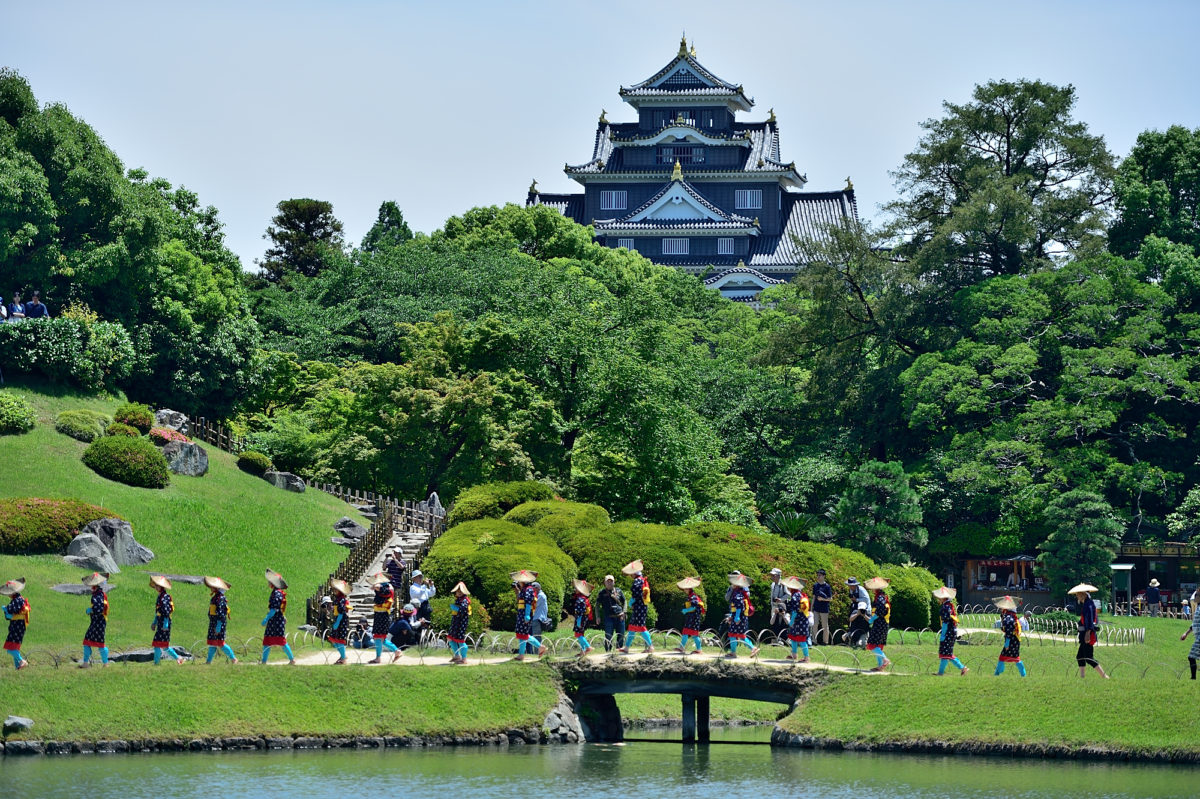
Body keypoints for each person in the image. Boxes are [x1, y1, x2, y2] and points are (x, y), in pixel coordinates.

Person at [1071, 582, 1109, 679]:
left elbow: (1090, 620)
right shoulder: (1087, 604)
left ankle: (1104, 676)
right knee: (1080, 656)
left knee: (1088, 657)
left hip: (1088, 634)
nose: (1077, 596)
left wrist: (1088, 633)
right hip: (1084, 633)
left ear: (1082, 594)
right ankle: (1082, 677)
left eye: (1078, 594)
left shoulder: (1089, 605)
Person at [260, 569, 296, 665]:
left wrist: (266, 619)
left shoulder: (277, 593)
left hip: (276, 621)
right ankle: (264, 661)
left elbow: (274, 609)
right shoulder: (277, 592)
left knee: (281, 641)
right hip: (275, 620)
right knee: (267, 641)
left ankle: (292, 659)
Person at [619, 560, 654, 654]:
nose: (630, 576)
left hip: (639, 607)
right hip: (641, 607)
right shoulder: (642, 580)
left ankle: (651, 646)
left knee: (641, 627)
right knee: (632, 627)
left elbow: (637, 595)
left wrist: (632, 601)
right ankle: (626, 648)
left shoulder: (637, 581)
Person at [512, 570, 546, 660]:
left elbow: (528, 603)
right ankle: (522, 654)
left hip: (525, 615)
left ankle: (538, 647)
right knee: (521, 634)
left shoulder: (528, 589)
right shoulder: (524, 589)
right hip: (521, 614)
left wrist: (527, 615)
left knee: (523, 634)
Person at [933, 586, 967, 676]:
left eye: (939, 597)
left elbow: (946, 621)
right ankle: (961, 668)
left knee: (946, 653)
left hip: (948, 632)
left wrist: (943, 634)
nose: (938, 599)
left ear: (943, 598)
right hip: (951, 631)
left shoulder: (945, 607)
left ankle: (961, 668)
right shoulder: (949, 605)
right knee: (947, 654)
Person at [150, 575, 183, 665]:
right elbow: (158, 612)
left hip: (164, 624)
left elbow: (166, 612)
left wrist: (165, 624)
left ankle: (156, 663)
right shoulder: (160, 596)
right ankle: (178, 658)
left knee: (157, 644)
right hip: (161, 623)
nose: (156, 587)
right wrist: (154, 623)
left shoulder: (165, 597)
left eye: (158, 585)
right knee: (164, 645)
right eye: (156, 585)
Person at [204, 576, 237, 664]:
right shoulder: (215, 598)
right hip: (213, 623)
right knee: (213, 643)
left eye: (212, 586)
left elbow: (221, 613)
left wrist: (218, 626)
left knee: (220, 643)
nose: (211, 588)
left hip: (218, 623)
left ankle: (233, 658)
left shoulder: (220, 598)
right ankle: (208, 661)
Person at [368, 573, 400, 664]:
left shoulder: (388, 588)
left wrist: (375, 585)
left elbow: (381, 589)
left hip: (383, 615)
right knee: (380, 638)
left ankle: (380, 657)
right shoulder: (383, 586)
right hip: (379, 615)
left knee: (379, 637)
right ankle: (395, 651)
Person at [725, 573, 758, 658]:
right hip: (739, 617)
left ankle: (735, 652)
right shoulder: (740, 592)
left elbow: (739, 607)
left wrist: (736, 617)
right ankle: (750, 648)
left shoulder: (737, 594)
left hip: (739, 618)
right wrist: (732, 616)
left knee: (733, 634)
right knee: (740, 635)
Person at [81, 572, 109, 667]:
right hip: (98, 622)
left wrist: (90, 610)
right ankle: (103, 663)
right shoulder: (101, 594)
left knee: (92, 642)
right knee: (91, 641)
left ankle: (103, 663)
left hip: (98, 623)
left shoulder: (97, 595)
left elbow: (99, 608)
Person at [993, 595, 1026, 677]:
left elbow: (1009, 631)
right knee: (1015, 658)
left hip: (1011, 641)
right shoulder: (1012, 616)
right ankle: (1023, 674)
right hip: (1015, 640)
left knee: (1003, 657)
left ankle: (997, 673)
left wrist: (1007, 643)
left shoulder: (1008, 617)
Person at [2, 577, 29, 670]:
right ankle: (17, 666)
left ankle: (22, 661)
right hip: (17, 626)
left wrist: (6, 609)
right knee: (14, 647)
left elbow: (12, 610)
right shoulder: (17, 600)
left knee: (10, 649)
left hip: (18, 627)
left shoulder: (18, 600)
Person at [865, 577, 892, 671]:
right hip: (883, 624)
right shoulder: (882, 596)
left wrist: (872, 619)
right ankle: (880, 666)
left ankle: (885, 660)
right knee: (878, 645)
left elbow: (881, 610)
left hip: (880, 623)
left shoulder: (880, 598)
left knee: (871, 644)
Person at [782, 576, 810, 662]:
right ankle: (794, 655)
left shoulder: (794, 597)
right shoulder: (800, 594)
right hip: (802, 620)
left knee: (801, 639)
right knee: (793, 637)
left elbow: (794, 612)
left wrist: (791, 622)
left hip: (799, 621)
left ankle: (806, 657)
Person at [675, 577, 706, 655]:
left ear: (689, 589)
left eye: (685, 589)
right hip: (690, 617)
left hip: (694, 618)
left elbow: (694, 606)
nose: (684, 590)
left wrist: (686, 610)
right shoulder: (690, 596)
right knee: (686, 632)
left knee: (694, 634)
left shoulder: (693, 597)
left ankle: (699, 649)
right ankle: (681, 647)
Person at [596, 575, 626, 652]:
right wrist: (597, 616)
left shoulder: (619, 591)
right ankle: (608, 653)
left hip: (620, 617)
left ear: (614, 582)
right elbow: (597, 605)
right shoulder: (602, 593)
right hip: (608, 617)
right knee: (608, 636)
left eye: (611, 581)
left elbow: (625, 601)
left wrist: (624, 612)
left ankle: (619, 652)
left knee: (621, 636)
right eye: (607, 581)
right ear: (604, 583)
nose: (609, 583)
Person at [326, 579, 351, 665]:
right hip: (338, 620)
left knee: (339, 640)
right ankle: (342, 655)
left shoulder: (342, 600)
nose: (335, 591)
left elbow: (341, 612)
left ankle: (343, 658)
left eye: (336, 590)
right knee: (334, 640)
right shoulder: (338, 599)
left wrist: (337, 623)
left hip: (341, 621)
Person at [448, 582, 472, 664]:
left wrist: (455, 608)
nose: (459, 592)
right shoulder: (458, 599)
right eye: (458, 591)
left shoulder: (465, 600)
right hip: (455, 622)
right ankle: (457, 656)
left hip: (461, 623)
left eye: (460, 591)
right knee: (451, 638)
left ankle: (464, 658)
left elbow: (463, 610)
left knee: (460, 640)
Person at [570, 579, 593, 658]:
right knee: (581, 634)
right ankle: (582, 651)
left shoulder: (580, 599)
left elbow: (580, 612)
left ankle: (588, 647)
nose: (575, 589)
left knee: (578, 634)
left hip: (581, 619)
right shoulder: (583, 598)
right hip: (584, 618)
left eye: (576, 588)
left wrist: (579, 621)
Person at [1180, 590, 1200, 680]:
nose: (1195, 597)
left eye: (1196, 596)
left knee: (1191, 656)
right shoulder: (1198, 608)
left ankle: (1193, 678)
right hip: (1197, 637)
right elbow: (1194, 624)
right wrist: (1186, 633)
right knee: (1192, 657)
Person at [812, 569, 833, 645]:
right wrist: (811, 608)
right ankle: (814, 640)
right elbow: (814, 597)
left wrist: (823, 599)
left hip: (824, 609)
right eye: (817, 575)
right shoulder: (815, 585)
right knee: (815, 624)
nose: (818, 577)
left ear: (824, 576)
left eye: (820, 575)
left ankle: (825, 641)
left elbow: (830, 598)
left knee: (825, 625)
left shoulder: (827, 586)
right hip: (816, 608)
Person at [768, 568, 788, 636]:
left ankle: (781, 638)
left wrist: (781, 599)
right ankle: (774, 637)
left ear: (779, 576)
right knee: (773, 622)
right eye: (772, 575)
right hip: (774, 605)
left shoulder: (783, 584)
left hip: (781, 606)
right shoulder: (772, 584)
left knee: (781, 622)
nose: (772, 577)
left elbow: (788, 594)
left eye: (774, 575)